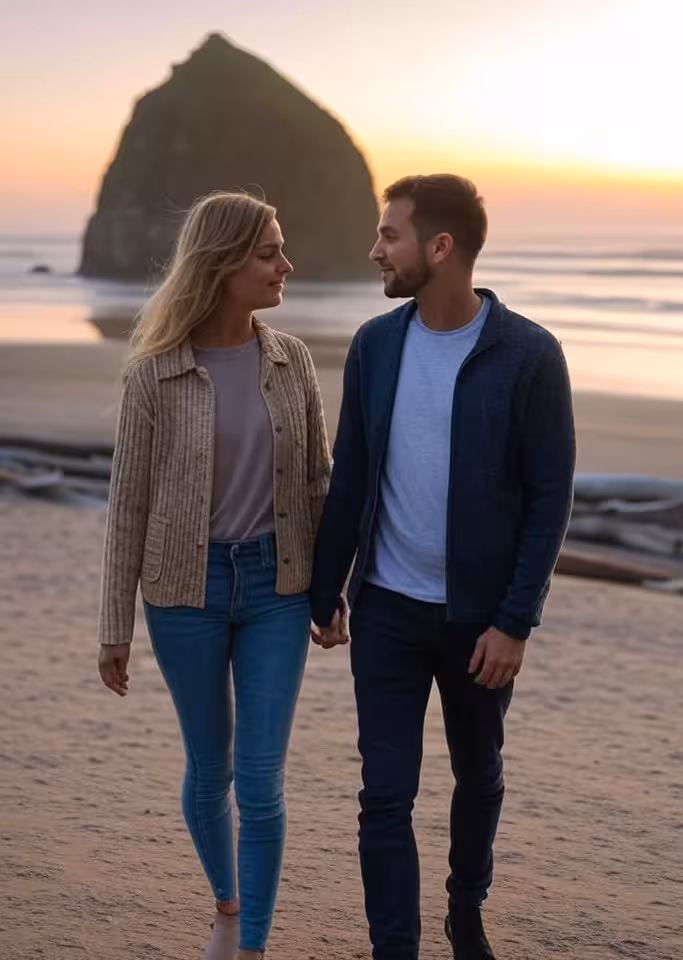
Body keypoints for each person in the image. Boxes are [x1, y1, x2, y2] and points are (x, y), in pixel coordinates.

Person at [310, 174, 576, 960]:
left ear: (440, 246)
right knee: (384, 797)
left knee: (479, 775)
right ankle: (396, 948)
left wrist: (513, 621)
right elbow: (350, 468)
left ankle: (466, 909)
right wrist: (328, 587)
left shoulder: (528, 355)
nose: (375, 250)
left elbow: (549, 497)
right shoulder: (376, 344)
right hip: (388, 607)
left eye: (388, 235)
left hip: (478, 621)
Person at [97, 190, 332, 960]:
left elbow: (317, 485)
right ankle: (225, 896)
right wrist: (114, 629)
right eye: (269, 253)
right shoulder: (154, 375)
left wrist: (332, 593)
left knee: (261, 780)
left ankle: (254, 945)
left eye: (280, 249)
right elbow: (126, 508)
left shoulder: (291, 360)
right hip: (182, 592)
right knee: (212, 764)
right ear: (223, 263)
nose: (284, 266)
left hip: (276, 589)